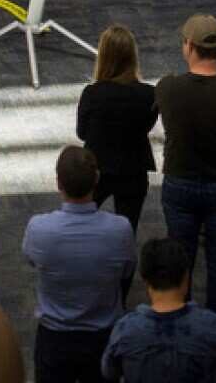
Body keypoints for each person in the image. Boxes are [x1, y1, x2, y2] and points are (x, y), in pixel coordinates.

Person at [155, 14, 216, 325]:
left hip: (180, 185)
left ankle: (178, 324)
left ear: (188, 46)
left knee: (180, 261)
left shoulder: (168, 87)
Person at [23, 146, 136, 383]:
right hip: (102, 337)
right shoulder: (121, 229)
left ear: (58, 182)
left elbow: (31, 260)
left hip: (54, 337)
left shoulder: (39, 228)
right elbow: (126, 271)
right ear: (96, 179)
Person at [101, 238, 216, 383]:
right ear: (186, 276)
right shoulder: (211, 325)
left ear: (145, 280)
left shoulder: (126, 328)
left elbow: (109, 371)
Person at [77, 24, 159, 235]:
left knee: (81, 226)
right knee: (126, 231)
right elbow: (146, 126)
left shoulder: (92, 94)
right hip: (134, 169)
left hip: (97, 168)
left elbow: (82, 133)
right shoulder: (149, 94)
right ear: (133, 57)